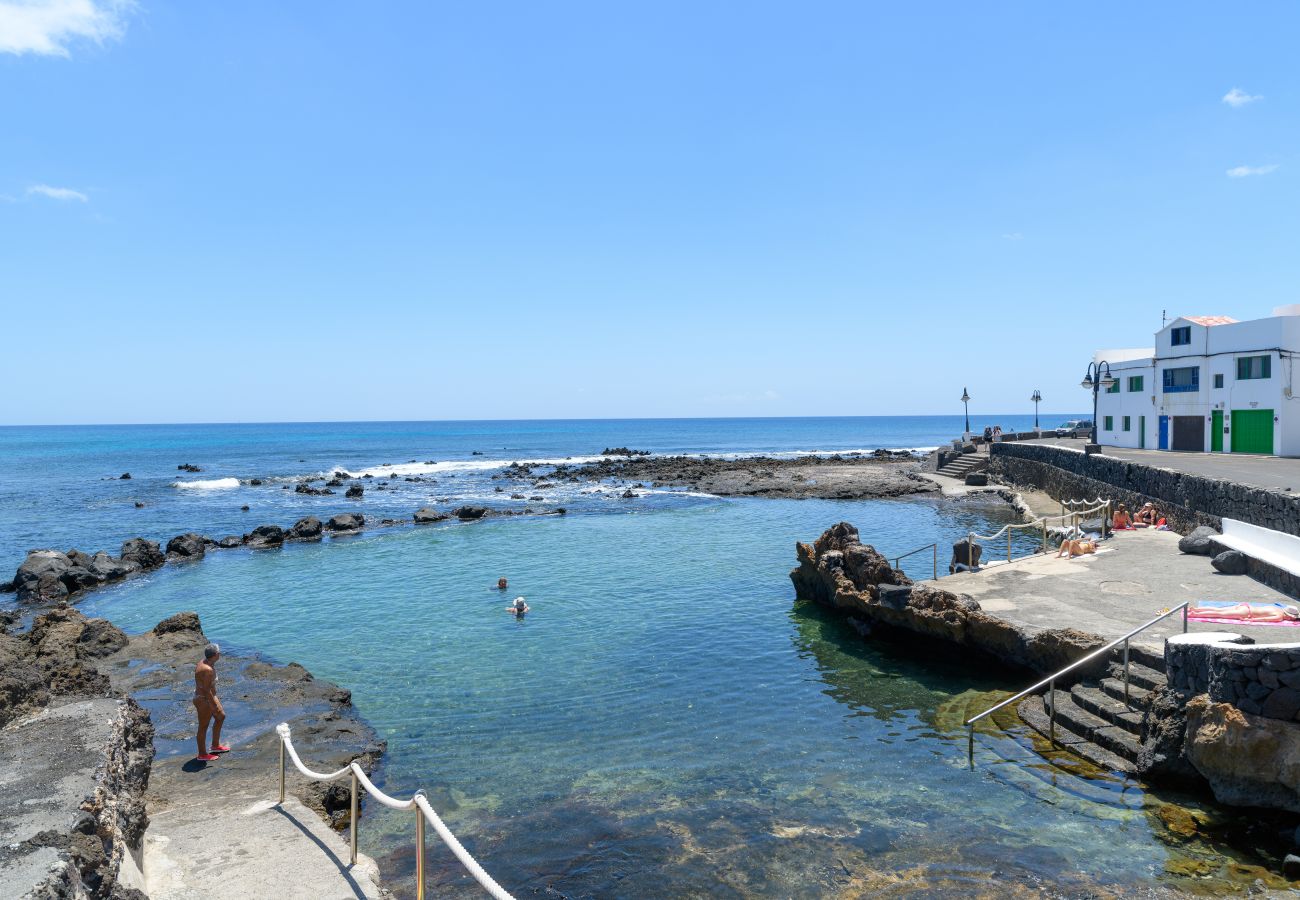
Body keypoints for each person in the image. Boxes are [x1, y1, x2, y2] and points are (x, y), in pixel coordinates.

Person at [193, 643, 227, 762]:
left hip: (210, 696)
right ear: (216, 655)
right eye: (219, 652)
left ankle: (215, 746)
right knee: (203, 726)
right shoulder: (207, 670)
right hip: (204, 699)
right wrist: (213, 705)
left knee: (221, 717)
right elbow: (206, 691)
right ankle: (202, 754)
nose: (220, 654)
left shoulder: (207, 662)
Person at [1189, 602, 1300, 623]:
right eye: (1293, 618)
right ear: (1289, 616)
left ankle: (1196, 609)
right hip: (1246, 612)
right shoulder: (1280, 616)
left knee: (1219, 610)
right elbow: (1264, 619)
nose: (1292, 619)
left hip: (1246, 606)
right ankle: (1195, 614)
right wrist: (1250, 619)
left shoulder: (1278, 609)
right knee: (1219, 614)